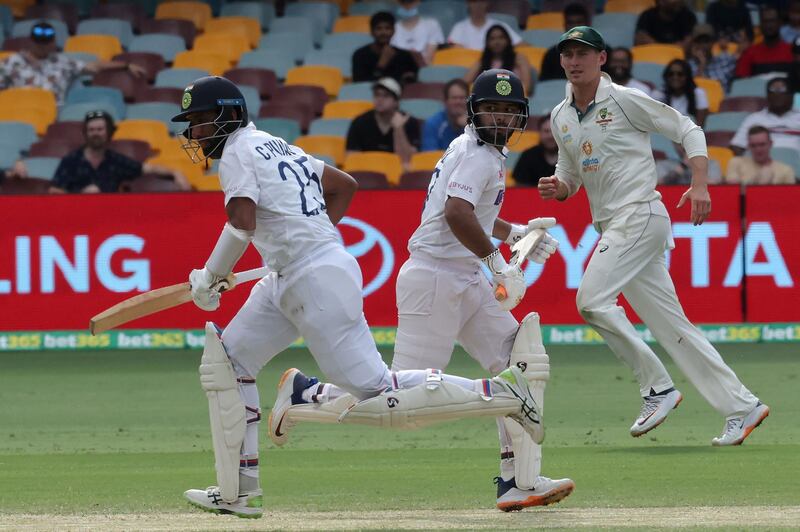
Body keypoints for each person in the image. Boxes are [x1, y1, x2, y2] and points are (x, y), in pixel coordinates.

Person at [171, 75, 545, 518]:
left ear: (229, 116)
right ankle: (238, 492)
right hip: (289, 275)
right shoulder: (275, 143)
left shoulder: (235, 151)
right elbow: (343, 185)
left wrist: (211, 275)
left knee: (380, 395)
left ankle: (503, 395)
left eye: (200, 121)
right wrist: (306, 240)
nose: (194, 133)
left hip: (314, 278)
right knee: (226, 362)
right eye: (191, 123)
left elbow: (241, 224)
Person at [269, 69, 573, 512]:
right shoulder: (478, 155)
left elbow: (474, 211)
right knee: (401, 407)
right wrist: (498, 264)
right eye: (493, 109)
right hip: (434, 280)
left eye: (510, 111)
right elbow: (456, 214)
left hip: (462, 278)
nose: (502, 119)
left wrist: (513, 234)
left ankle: (517, 481)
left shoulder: (481, 151)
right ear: (474, 111)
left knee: (518, 366)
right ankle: (306, 396)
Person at [539, 26, 769, 447]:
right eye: (567, 54)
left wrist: (700, 184)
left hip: (640, 214)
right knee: (672, 325)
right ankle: (742, 406)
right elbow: (570, 173)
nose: (574, 62)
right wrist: (560, 188)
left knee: (590, 300)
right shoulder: (560, 116)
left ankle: (657, 388)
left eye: (583, 54)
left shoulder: (625, 100)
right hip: (613, 224)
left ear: (601, 59)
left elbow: (688, 129)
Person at [0, 21, 146, 105]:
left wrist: (125, 65)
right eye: (39, 43)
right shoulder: (11, 62)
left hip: (54, 115)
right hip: (20, 110)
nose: (42, 47)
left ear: (53, 43)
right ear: (30, 41)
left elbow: (95, 66)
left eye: (46, 43)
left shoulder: (63, 63)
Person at [49, 110, 189, 193]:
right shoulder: (70, 161)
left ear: (109, 132)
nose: (95, 133)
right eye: (91, 130)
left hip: (109, 220)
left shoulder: (116, 161)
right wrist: (81, 196)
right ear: (85, 133)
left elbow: (148, 169)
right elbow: (54, 191)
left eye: (100, 129)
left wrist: (175, 173)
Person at [345, 77, 421, 166]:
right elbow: (352, 159)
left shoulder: (409, 122)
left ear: (396, 101)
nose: (380, 99)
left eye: (386, 96)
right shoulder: (360, 122)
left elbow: (407, 161)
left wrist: (399, 130)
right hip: (368, 171)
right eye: (377, 95)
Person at [730, 77, 800, 155]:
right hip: (760, 165)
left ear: (791, 96)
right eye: (772, 91)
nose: (777, 95)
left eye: (781, 90)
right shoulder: (754, 118)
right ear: (767, 96)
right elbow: (737, 145)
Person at [352, 11, 418, 85]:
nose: (383, 32)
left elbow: (413, 81)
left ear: (393, 31)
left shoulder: (405, 56)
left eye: (387, 28)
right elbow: (360, 85)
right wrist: (381, 66)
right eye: (379, 28)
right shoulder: (360, 55)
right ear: (372, 31)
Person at [465, 25, 531, 95]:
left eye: (501, 37)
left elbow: (527, 87)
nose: (497, 42)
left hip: (512, 98)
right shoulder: (483, 61)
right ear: (487, 43)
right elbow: (464, 83)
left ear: (508, 40)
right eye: (492, 39)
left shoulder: (519, 59)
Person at [538, 3, 593, 82]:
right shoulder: (551, 55)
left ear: (588, 25)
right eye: (570, 23)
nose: (575, 27)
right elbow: (545, 87)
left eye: (579, 22)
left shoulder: (599, 52)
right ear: (565, 26)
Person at [735, 6, 793, 78]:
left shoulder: (792, 51)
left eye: (772, 21)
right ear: (760, 25)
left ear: (780, 23)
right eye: (765, 21)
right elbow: (741, 83)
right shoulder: (750, 53)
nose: (769, 25)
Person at [726, 126, 796, 185]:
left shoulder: (786, 170)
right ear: (748, 146)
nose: (758, 149)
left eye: (762, 144)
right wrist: (759, 182)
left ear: (770, 144)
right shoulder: (736, 163)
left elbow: (790, 199)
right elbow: (732, 192)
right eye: (753, 145)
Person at [654, 59, 709, 126]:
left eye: (680, 74)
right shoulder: (659, 94)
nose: (675, 77)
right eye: (671, 74)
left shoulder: (698, 93)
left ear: (687, 76)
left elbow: (700, 125)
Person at [448, 0, 521, 51]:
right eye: (474, 1)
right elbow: (454, 50)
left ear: (487, 3)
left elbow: (520, 45)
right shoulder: (459, 27)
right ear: (468, 3)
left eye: (482, 0)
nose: (478, 4)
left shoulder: (499, 25)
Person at [390, 0, 445, 66]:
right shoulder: (391, 28)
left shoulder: (432, 25)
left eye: (410, 2)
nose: (407, 6)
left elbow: (428, 60)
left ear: (418, 3)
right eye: (403, 2)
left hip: (424, 70)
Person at [686, 24, 737, 92]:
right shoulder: (688, 66)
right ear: (694, 44)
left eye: (706, 41)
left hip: (723, 100)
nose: (703, 45)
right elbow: (695, 90)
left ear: (712, 42)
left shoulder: (725, 61)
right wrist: (702, 64)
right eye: (699, 41)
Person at [421, 79, 468, 151]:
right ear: (445, 101)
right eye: (454, 98)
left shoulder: (475, 123)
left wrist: (469, 126)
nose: (458, 102)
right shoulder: (433, 124)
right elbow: (430, 155)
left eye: (462, 98)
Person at [513, 117, 558, 186]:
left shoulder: (570, 156)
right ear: (540, 133)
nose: (550, 136)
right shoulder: (528, 156)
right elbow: (519, 187)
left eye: (554, 131)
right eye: (546, 131)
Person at [656, 142, 722, 185]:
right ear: (674, 145)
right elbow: (660, 185)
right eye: (680, 143)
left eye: (690, 142)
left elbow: (714, 185)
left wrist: (696, 166)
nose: (684, 146)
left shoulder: (711, 163)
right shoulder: (664, 164)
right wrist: (683, 166)